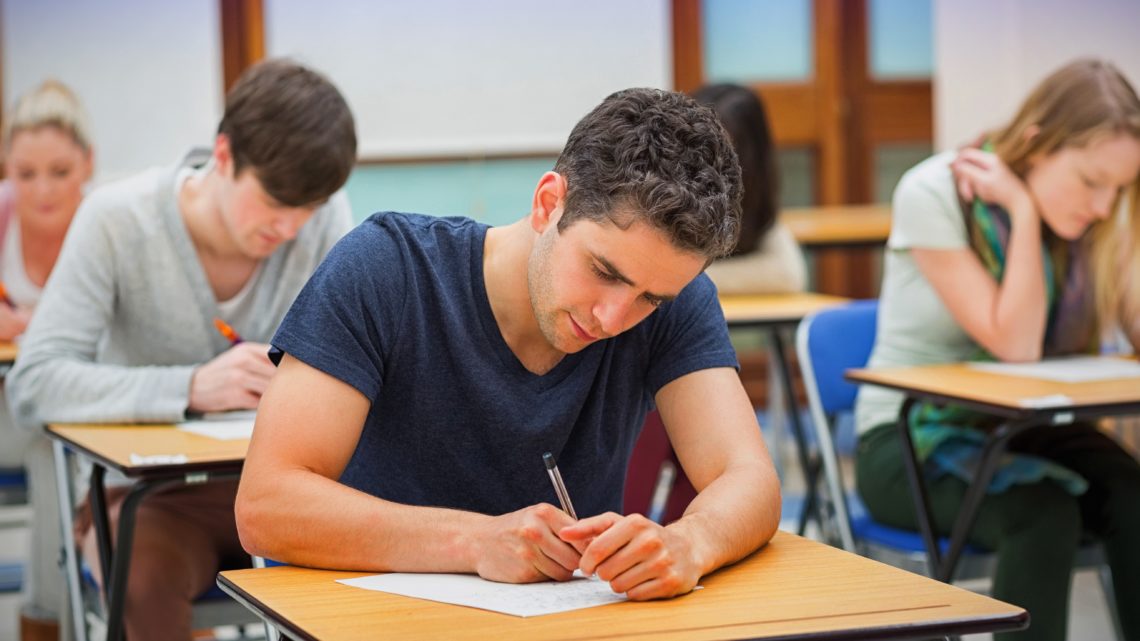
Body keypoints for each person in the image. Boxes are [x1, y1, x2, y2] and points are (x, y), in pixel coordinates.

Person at [235, 87, 781, 600]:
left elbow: (749, 479)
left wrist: (691, 541)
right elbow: (266, 505)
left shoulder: (676, 301)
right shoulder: (386, 269)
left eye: (649, 299)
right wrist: (473, 542)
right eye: (603, 271)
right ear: (549, 204)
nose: (614, 317)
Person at [7, 59, 356, 641]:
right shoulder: (118, 221)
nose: (291, 227)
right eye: (274, 201)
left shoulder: (324, 222)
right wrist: (189, 387)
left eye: (310, 208)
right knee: (142, 577)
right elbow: (33, 384)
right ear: (223, 157)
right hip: (152, 503)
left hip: (290, 493)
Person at [854, 58, 1140, 641]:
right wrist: (1025, 213)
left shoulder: (1097, 223)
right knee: (1042, 514)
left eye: (1121, 188)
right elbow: (1016, 344)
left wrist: (1126, 230)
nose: (1102, 206)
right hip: (908, 442)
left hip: (1025, 427)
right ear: (1036, 145)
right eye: (1091, 182)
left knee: (1134, 493)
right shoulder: (934, 192)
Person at [0, 80, 92, 641]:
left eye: (60, 172)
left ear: (88, 164)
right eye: (25, 173)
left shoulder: (105, 225)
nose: (42, 190)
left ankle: (48, 620)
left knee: (50, 442)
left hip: (66, 415)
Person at [694, 83, 806, 294]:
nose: (708, 160)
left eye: (723, 147)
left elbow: (788, 275)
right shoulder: (665, 191)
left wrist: (681, 280)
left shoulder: (753, 200)